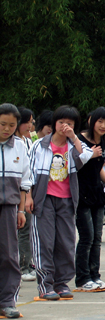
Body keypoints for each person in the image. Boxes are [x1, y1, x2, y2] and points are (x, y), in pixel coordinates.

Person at [28, 106, 90, 300]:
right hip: (44, 199)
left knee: (65, 242)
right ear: (54, 123)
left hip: (66, 200)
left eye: (69, 123)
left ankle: (61, 283)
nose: (64, 126)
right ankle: (45, 285)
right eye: (61, 122)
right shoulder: (39, 146)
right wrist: (28, 197)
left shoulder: (73, 146)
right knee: (45, 242)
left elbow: (85, 156)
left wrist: (74, 137)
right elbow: (28, 173)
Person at [75, 107, 105, 291]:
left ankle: (95, 276)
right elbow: (75, 165)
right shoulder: (78, 140)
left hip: (96, 192)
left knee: (97, 238)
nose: (103, 126)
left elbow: (98, 166)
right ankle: (82, 278)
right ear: (91, 120)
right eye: (100, 121)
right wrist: (89, 154)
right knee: (87, 236)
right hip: (81, 193)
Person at [0, 104, 31, 318]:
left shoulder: (19, 146)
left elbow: (24, 182)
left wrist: (21, 211)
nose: (7, 129)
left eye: (11, 125)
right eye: (2, 124)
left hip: (9, 207)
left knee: (9, 254)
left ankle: (7, 301)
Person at [15, 107, 36, 282]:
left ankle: (27, 264)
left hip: (26, 190)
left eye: (31, 122)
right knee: (21, 231)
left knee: (26, 229)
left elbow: (29, 172)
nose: (30, 125)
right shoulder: (13, 143)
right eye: (27, 122)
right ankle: (23, 267)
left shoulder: (28, 142)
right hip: (14, 192)